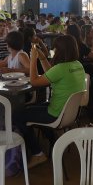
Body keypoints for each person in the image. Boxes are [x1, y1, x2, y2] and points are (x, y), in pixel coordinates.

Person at [15, 35, 85, 168]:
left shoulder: (61, 68)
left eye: (55, 48)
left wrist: (33, 60)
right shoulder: (78, 65)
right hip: (69, 113)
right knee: (34, 109)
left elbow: (34, 81)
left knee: (18, 115)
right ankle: (54, 141)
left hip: (56, 114)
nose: (53, 51)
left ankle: (37, 153)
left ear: (60, 50)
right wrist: (42, 58)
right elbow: (51, 74)